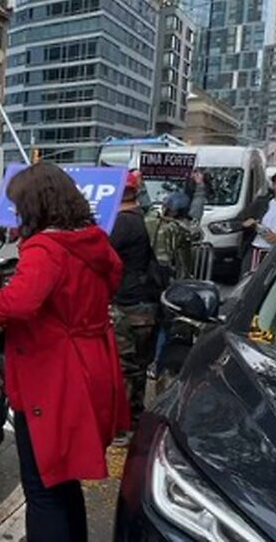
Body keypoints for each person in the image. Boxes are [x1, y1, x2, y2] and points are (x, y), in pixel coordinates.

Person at [0, 162, 127, 542]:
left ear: (36, 204)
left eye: (20, 205)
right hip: (91, 364)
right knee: (63, 479)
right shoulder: (91, 239)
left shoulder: (46, 248)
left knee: (42, 488)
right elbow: (111, 280)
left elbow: (20, 301)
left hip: (55, 375)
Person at [108, 171, 161, 441]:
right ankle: (135, 420)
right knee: (137, 366)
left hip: (129, 305)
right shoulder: (146, 219)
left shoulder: (123, 223)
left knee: (124, 366)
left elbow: (99, 255)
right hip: (145, 303)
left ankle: (125, 426)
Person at [145, 170, 207, 280]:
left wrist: (140, 186)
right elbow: (195, 219)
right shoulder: (181, 228)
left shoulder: (150, 220)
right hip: (172, 276)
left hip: (148, 271)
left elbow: (144, 205)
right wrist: (200, 186)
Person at [241, 170, 276, 274]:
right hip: (259, 250)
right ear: (273, 185)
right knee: (251, 282)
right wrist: (248, 223)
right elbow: (242, 220)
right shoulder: (261, 203)